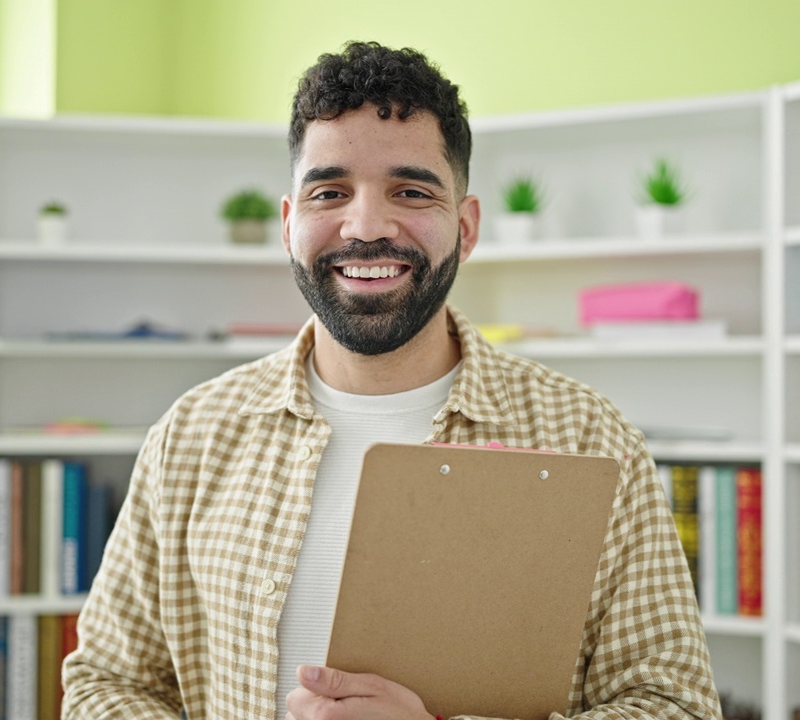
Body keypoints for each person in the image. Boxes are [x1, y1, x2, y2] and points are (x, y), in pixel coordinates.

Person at [62, 41, 721, 720]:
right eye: (330, 192)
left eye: (410, 191)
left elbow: (674, 704)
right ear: (290, 225)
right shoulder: (192, 435)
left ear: (465, 229)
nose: (366, 226)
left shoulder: (588, 437)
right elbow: (108, 683)